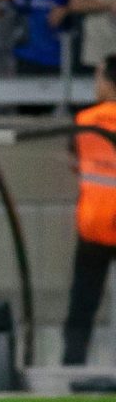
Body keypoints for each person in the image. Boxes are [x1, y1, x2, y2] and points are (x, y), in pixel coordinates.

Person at [62, 55, 116, 366]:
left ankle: (72, 367)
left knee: (82, 305)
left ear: (109, 82)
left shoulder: (85, 121)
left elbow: (75, 161)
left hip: (93, 224)